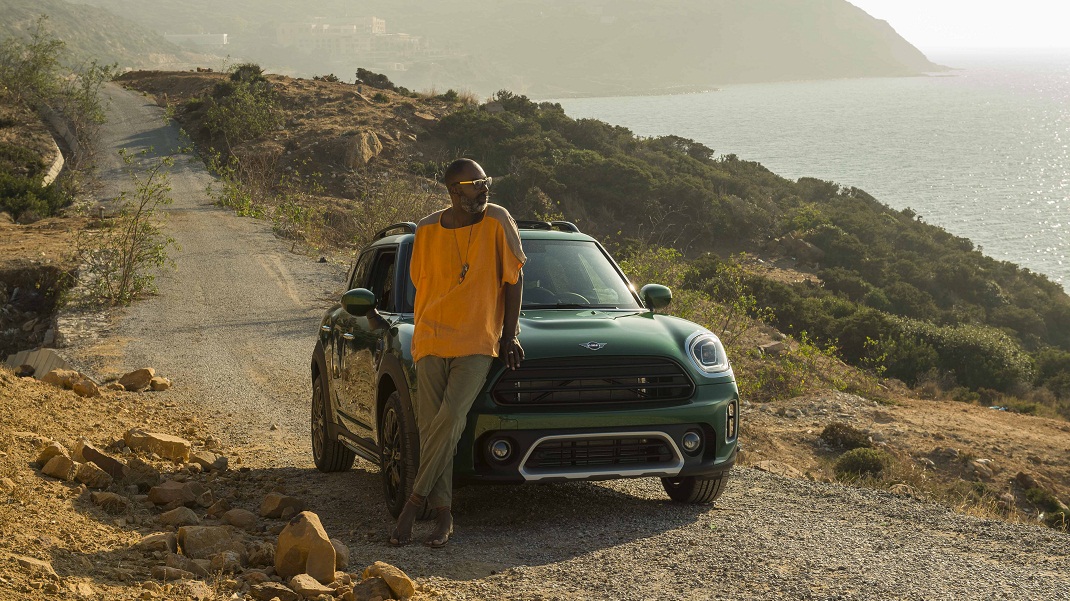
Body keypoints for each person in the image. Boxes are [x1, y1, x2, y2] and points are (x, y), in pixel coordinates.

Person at [371, 158, 526, 548]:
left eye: (486, 180)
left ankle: (413, 504)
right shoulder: (426, 229)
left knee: (452, 417)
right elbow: (422, 282)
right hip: (430, 340)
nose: (484, 188)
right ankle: (443, 515)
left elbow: (515, 278)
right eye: (476, 184)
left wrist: (509, 335)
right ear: (455, 191)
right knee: (433, 430)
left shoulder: (498, 220)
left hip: (477, 340)